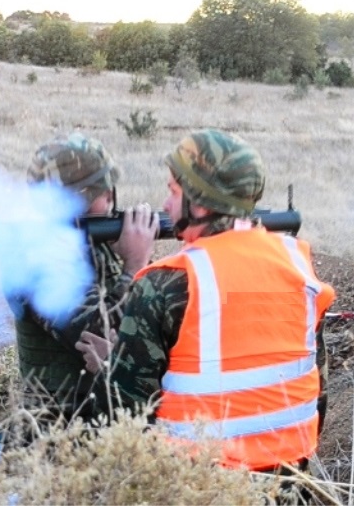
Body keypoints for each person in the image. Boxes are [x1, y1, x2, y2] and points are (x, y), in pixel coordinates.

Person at [102, 128, 335, 473]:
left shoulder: (164, 285)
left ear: (198, 203)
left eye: (173, 191)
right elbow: (318, 395)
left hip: (197, 488)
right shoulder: (298, 270)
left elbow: (124, 417)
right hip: (288, 485)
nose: (165, 205)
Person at [5, 132, 158, 421]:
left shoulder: (93, 241)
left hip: (107, 419)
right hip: (57, 435)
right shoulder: (34, 261)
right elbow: (102, 333)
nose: (110, 199)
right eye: (101, 193)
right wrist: (135, 264)